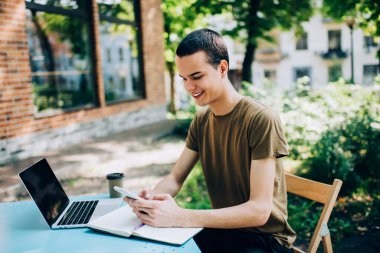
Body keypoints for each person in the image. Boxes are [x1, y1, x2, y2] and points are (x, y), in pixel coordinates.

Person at [126, 28, 296, 253]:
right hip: (225, 232)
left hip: (265, 240)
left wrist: (182, 217)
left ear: (222, 68)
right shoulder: (202, 119)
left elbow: (259, 211)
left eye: (196, 77)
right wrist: (150, 202)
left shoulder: (260, 119)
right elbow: (175, 178)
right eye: (184, 79)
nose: (189, 87)